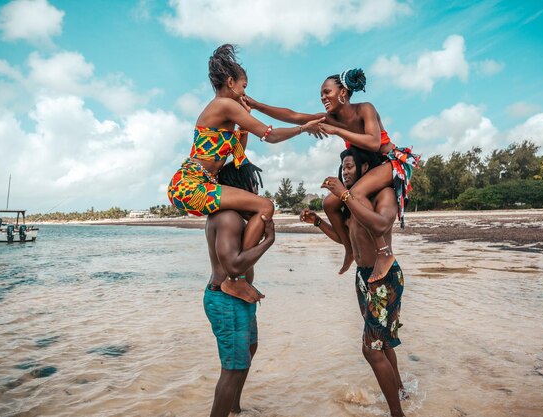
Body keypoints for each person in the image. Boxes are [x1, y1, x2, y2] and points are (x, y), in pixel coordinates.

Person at [167, 44, 325, 299]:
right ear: (230, 82)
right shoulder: (222, 105)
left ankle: (235, 271)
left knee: (253, 213)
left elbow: (238, 152)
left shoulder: (228, 112)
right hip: (190, 185)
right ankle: (234, 277)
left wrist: (243, 124)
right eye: (243, 86)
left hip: (197, 184)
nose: (244, 92)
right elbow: (270, 135)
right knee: (265, 207)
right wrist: (303, 129)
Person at [245, 68, 418, 282]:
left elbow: (374, 143)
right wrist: (256, 105)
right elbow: (294, 115)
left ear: (343, 92)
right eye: (321, 94)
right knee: (329, 203)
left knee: (355, 192)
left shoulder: (365, 109)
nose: (323, 98)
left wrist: (338, 131)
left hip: (388, 162)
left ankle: (384, 253)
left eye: (327, 92)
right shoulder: (330, 118)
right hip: (368, 168)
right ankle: (349, 250)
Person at [301, 147, 406, 417]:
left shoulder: (382, 194)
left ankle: (398, 413)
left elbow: (381, 225)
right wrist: (318, 223)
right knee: (380, 344)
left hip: (384, 277)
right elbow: (345, 238)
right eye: (343, 168)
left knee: (371, 350)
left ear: (364, 169)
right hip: (363, 277)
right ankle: (402, 392)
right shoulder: (349, 203)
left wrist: (346, 194)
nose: (345, 172)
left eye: (350, 167)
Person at [204, 161, 275, 417]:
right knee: (232, 369)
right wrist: (269, 241)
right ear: (242, 186)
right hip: (225, 300)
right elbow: (233, 267)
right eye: (253, 184)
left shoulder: (234, 215)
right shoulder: (228, 217)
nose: (255, 190)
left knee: (249, 349)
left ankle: (234, 408)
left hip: (238, 298)